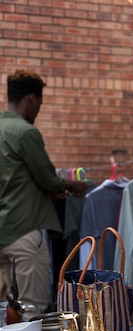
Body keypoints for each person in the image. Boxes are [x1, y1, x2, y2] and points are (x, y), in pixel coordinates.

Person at [0, 69, 87, 317]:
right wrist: (70, 185)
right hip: (24, 233)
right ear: (31, 98)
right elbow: (48, 179)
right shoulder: (25, 132)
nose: (38, 110)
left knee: (7, 310)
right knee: (30, 310)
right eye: (39, 103)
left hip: (2, 234)